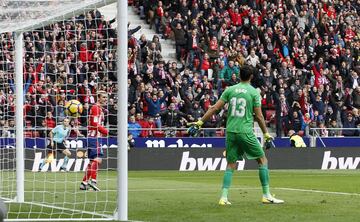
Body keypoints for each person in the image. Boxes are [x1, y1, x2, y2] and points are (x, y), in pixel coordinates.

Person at [188, 65, 284, 205]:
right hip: (245, 131)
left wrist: (199, 123)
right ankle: (266, 195)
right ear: (251, 77)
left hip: (231, 131)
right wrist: (266, 135)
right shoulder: (253, 92)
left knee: (231, 164)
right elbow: (259, 116)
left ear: (239, 75)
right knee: (262, 160)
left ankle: (224, 197)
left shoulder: (230, 90)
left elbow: (215, 108)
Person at [80, 91, 109, 191]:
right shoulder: (96, 108)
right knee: (98, 159)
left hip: (93, 137)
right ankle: (93, 181)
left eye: (106, 97)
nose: (105, 99)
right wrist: (106, 131)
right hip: (94, 137)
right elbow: (94, 123)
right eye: (103, 97)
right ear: (98, 98)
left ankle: (84, 183)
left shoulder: (99, 109)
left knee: (92, 161)